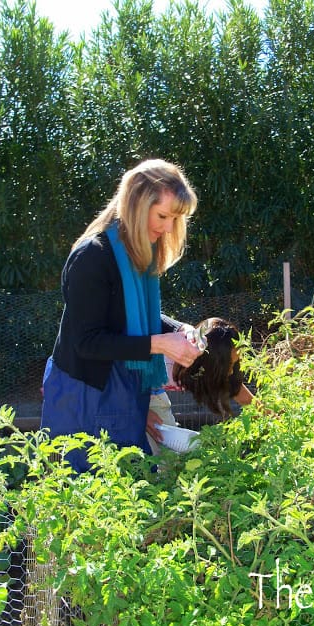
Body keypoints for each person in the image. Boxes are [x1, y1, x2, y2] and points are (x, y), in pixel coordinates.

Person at [40, 158, 201, 472]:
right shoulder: (93, 256)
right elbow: (88, 341)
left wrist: (180, 330)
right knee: (87, 495)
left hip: (121, 392)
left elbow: (128, 318)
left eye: (175, 219)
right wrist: (161, 344)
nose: (168, 227)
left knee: (130, 493)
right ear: (136, 205)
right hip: (84, 397)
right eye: (163, 215)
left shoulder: (136, 255)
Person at [172, 317, 255, 418]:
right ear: (211, 361)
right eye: (228, 365)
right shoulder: (172, 354)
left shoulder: (217, 369)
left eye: (234, 363)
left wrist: (273, 419)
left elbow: (247, 400)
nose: (231, 371)